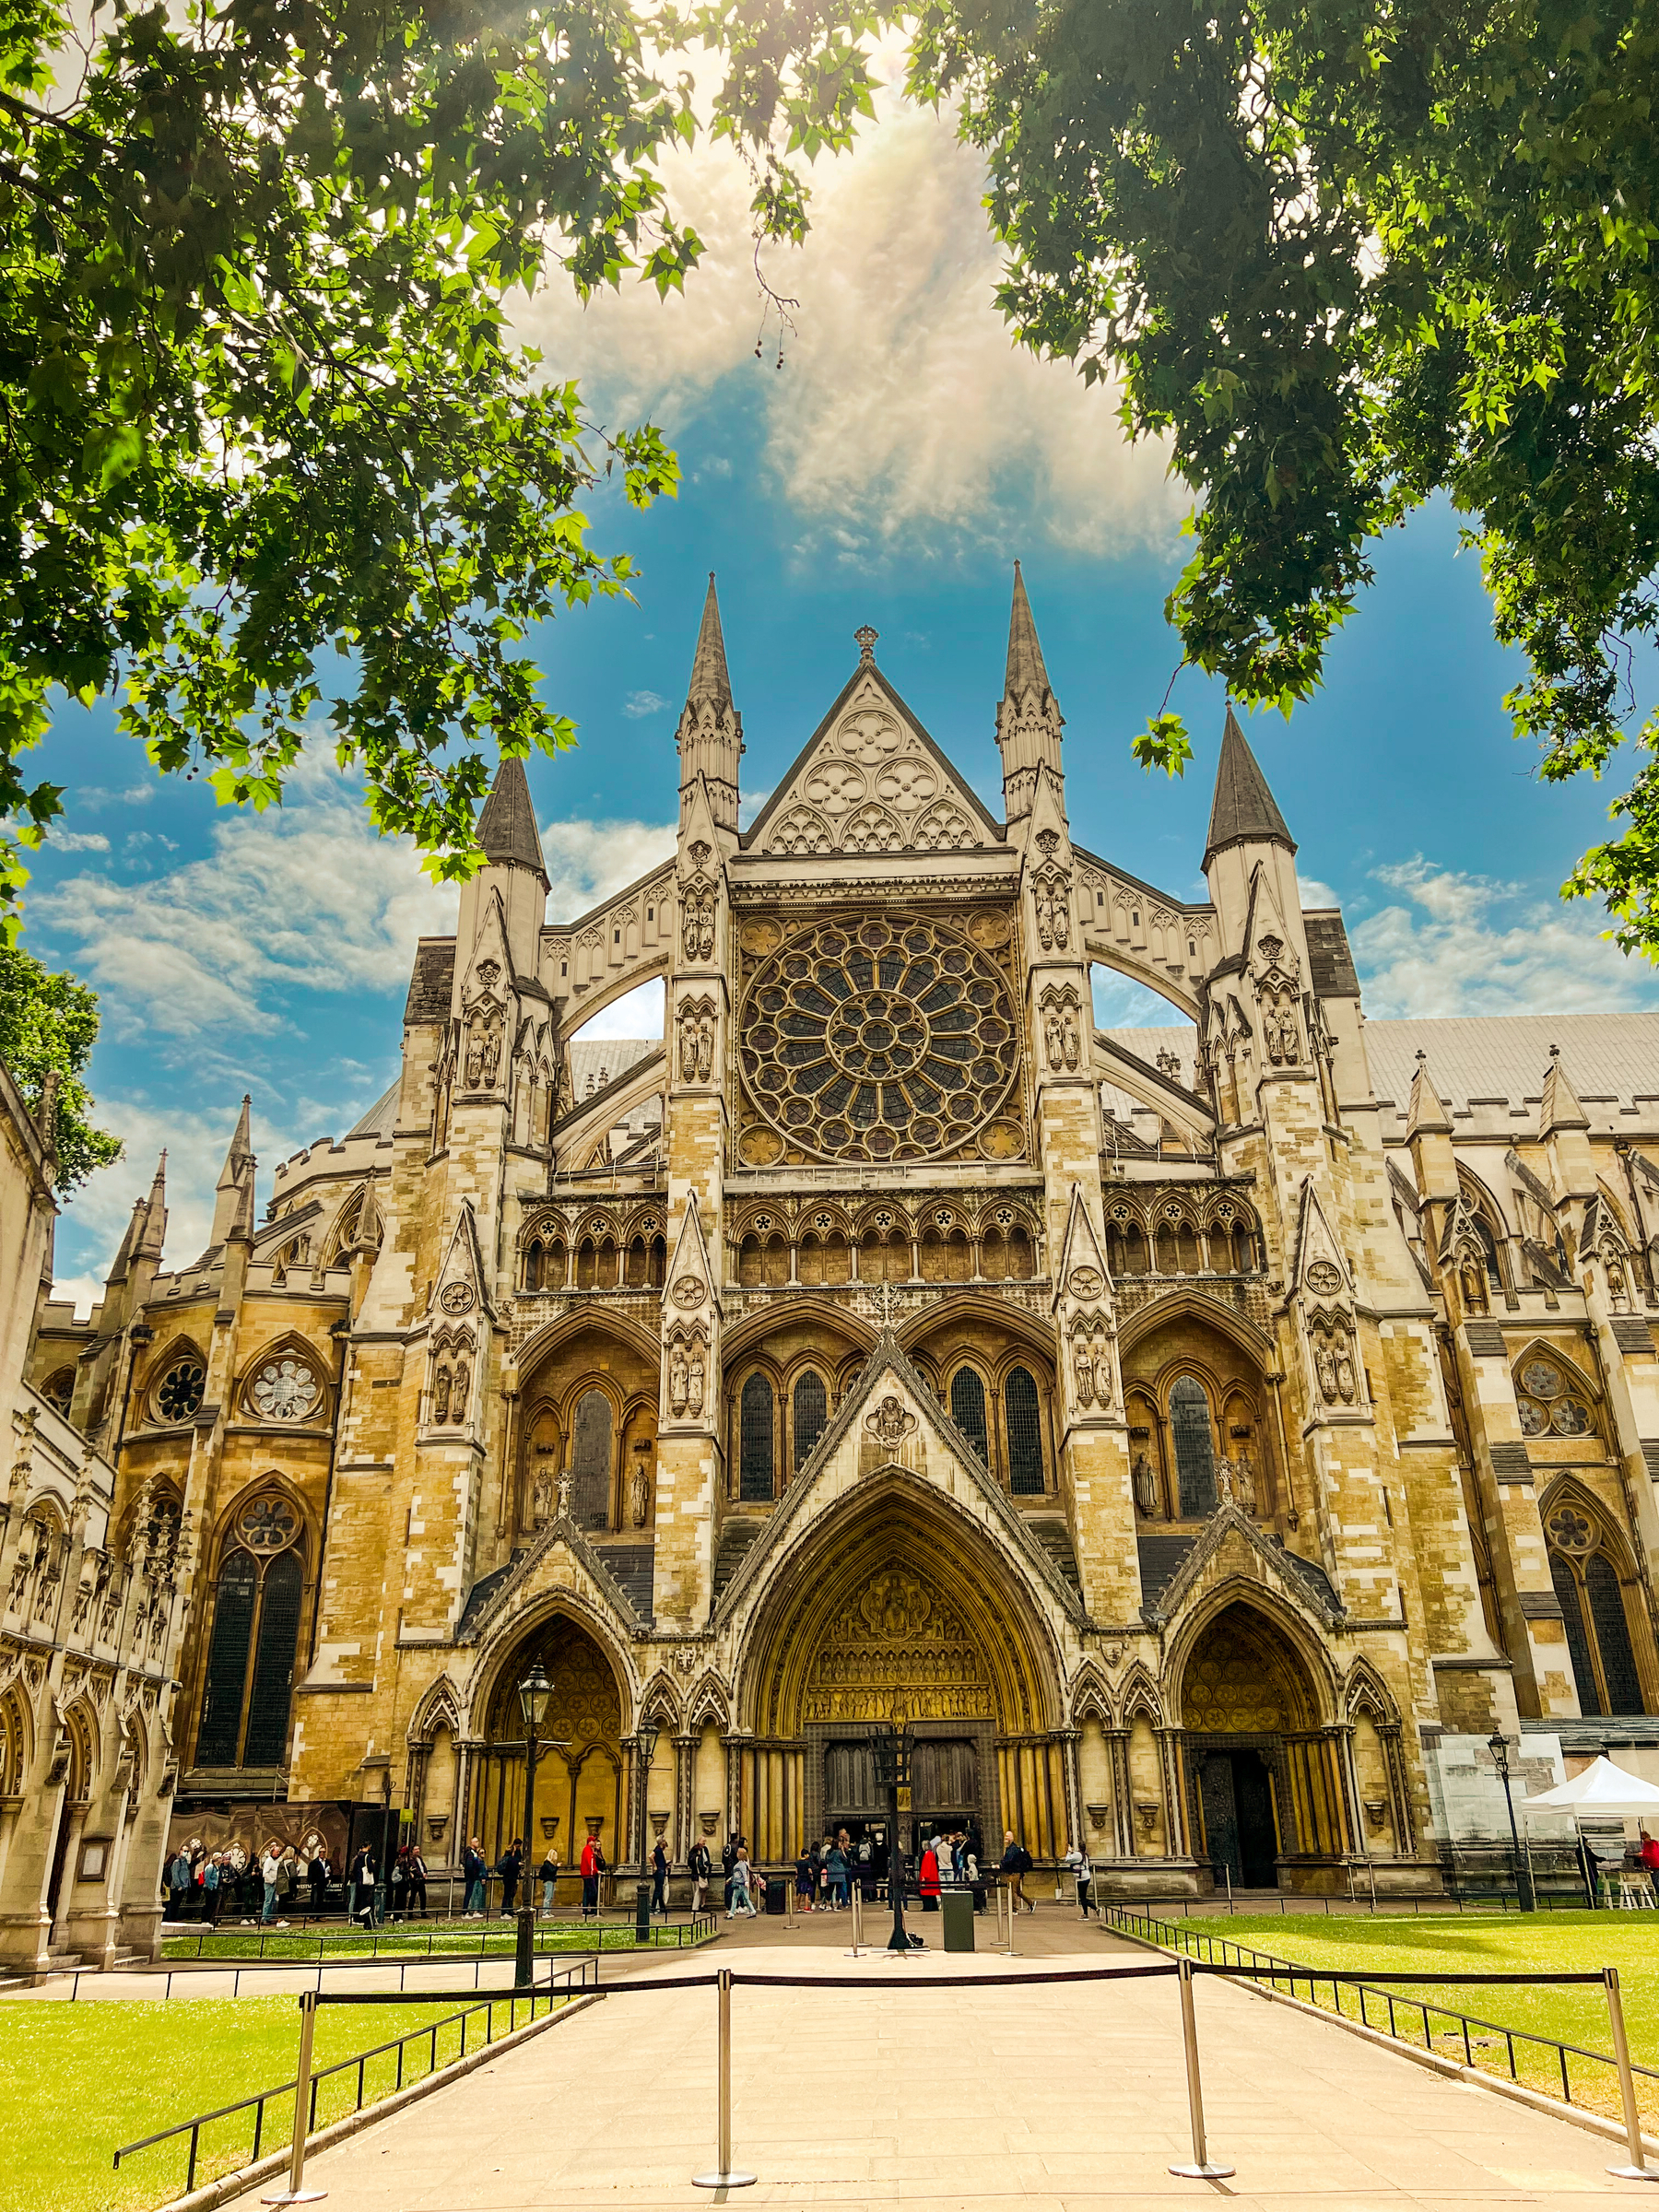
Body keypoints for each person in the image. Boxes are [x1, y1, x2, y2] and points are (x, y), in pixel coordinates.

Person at [1000, 1830, 1034, 1914]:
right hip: (1015, 1872)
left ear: (1011, 1838)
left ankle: (1013, 1909)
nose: (1005, 1838)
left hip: (1014, 1873)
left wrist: (1001, 1865)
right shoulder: (1010, 1848)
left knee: (1012, 1891)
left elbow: (1009, 1860)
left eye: (1007, 1836)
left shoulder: (1013, 1849)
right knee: (1018, 1891)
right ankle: (1030, 1903)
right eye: (1005, 1836)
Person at [1064, 1838, 1095, 1919]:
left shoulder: (1078, 1855)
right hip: (1086, 1876)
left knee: (1082, 1897)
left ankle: (1095, 1909)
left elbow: (1067, 1860)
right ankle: (1085, 1914)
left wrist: (1069, 1852)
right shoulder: (1085, 1855)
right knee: (1083, 1896)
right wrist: (1072, 1852)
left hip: (1082, 1878)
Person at [580, 1829, 605, 1920]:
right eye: (593, 1841)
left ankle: (586, 1909)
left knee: (587, 1892)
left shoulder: (589, 1850)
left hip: (588, 1874)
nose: (594, 1842)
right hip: (588, 1874)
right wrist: (595, 1871)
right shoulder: (587, 1850)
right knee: (592, 1892)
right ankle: (590, 1909)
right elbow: (590, 1862)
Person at [728, 1845, 758, 1919]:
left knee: (734, 1898)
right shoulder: (743, 1863)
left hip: (739, 1884)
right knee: (746, 1898)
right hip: (742, 1883)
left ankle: (731, 1913)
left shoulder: (741, 1864)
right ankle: (753, 1911)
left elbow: (743, 1873)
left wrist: (746, 1881)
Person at [351, 1844, 377, 1926]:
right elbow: (371, 1868)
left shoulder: (357, 1857)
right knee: (366, 1900)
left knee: (357, 1899)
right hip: (366, 1881)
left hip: (359, 1880)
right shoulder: (367, 1856)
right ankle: (364, 1917)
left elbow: (354, 1869)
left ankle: (355, 1917)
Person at [463, 1837, 487, 1917]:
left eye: (478, 1841)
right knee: (469, 1894)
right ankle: (465, 1912)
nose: (478, 1843)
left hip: (473, 1877)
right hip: (471, 1877)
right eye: (476, 1841)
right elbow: (469, 1865)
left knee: (472, 1894)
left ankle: (469, 1911)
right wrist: (473, 1874)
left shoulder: (474, 1853)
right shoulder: (470, 1853)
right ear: (472, 1843)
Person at [688, 1836, 712, 1918]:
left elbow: (707, 1859)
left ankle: (702, 1905)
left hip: (704, 1873)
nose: (704, 1843)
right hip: (697, 1874)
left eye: (705, 1841)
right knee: (697, 1891)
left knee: (703, 1889)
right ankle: (695, 1908)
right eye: (703, 1841)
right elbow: (691, 1861)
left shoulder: (705, 1849)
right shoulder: (695, 1850)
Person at [260, 1842, 284, 1925]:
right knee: (268, 1901)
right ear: (272, 1852)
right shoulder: (269, 1861)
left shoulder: (276, 1861)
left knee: (273, 1901)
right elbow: (265, 1873)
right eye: (277, 1851)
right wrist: (272, 1881)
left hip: (274, 1883)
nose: (278, 1853)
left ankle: (269, 1917)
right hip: (269, 1883)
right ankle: (264, 1918)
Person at [498, 1839, 523, 1916]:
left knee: (511, 1894)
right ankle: (504, 1911)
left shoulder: (517, 1853)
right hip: (508, 1877)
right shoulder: (509, 1857)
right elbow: (512, 1862)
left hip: (514, 1876)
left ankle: (510, 1910)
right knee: (507, 1894)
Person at [168, 1845, 192, 1922]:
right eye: (185, 1851)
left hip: (184, 1886)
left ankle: (176, 1917)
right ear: (180, 1851)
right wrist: (178, 1885)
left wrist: (187, 1884)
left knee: (178, 1903)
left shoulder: (185, 1862)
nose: (186, 1853)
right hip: (176, 1887)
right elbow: (175, 1874)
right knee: (174, 1903)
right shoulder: (177, 1862)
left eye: (187, 1851)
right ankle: (171, 1918)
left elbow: (186, 1874)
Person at [918, 1835, 941, 1912]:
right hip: (932, 1877)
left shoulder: (928, 1855)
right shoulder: (931, 1854)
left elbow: (927, 1866)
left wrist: (924, 1877)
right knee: (932, 1894)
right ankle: (933, 1907)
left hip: (928, 1878)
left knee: (927, 1894)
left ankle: (928, 1907)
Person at [827, 1837, 850, 1911]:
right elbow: (845, 1860)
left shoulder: (829, 1852)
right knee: (839, 1889)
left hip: (831, 1871)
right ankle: (836, 1905)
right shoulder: (839, 1852)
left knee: (830, 1889)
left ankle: (828, 1904)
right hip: (839, 1872)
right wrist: (843, 1851)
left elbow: (826, 1860)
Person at [406, 1842, 428, 1918]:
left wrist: (425, 1872)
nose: (417, 1851)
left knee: (423, 1897)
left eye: (418, 1849)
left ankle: (423, 1913)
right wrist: (422, 1874)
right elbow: (414, 1869)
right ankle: (410, 1914)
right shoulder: (411, 1859)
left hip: (421, 1880)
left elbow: (423, 1866)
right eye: (415, 1849)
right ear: (412, 1851)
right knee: (413, 1897)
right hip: (415, 1880)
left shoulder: (419, 1858)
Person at [652, 1835, 671, 1918]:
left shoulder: (659, 1850)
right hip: (659, 1871)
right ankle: (653, 1908)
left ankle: (662, 1908)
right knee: (658, 1890)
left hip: (661, 1870)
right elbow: (650, 1856)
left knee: (660, 1890)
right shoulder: (657, 1850)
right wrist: (654, 1865)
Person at [794, 1843, 817, 1915]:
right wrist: (811, 1876)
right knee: (807, 1893)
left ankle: (798, 1907)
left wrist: (796, 1878)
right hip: (806, 1878)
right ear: (805, 1855)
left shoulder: (797, 1862)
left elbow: (796, 1871)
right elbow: (810, 1870)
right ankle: (806, 1907)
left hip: (800, 1878)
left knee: (799, 1893)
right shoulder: (807, 1862)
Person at [537, 1846, 559, 1917]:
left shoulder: (550, 1864)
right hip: (548, 1881)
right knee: (548, 1897)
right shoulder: (547, 1863)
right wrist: (557, 1867)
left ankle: (548, 1911)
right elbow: (551, 1871)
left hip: (551, 1880)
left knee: (550, 1897)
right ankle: (545, 1912)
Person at [307, 1846, 328, 1915]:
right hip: (316, 1884)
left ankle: (320, 1915)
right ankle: (312, 1916)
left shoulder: (327, 1862)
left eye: (323, 1852)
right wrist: (313, 1882)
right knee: (314, 1900)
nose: (322, 1853)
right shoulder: (314, 1863)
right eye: (320, 1852)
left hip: (323, 1883)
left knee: (321, 1900)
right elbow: (310, 1873)